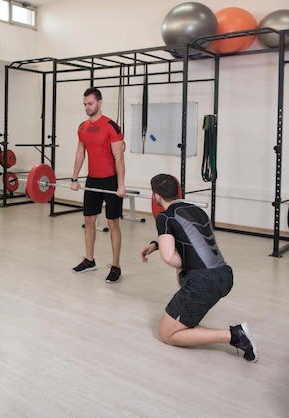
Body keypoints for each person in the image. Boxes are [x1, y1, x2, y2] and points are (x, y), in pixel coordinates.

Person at [140, 174, 258, 362]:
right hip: (224, 275)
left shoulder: (164, 217)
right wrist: (157, 244)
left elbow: (170, 257)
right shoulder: (197, 210)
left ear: (156, 196)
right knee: (185, 277)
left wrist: (166, 251)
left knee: (166, 334)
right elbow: (193, 243)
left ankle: (234, 335)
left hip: (203, 282)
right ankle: (188, 313)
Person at [70, 87, 126, 283]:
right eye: (85, 104)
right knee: (89, 221)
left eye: (90, 104)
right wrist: (74, 178)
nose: (87, 107)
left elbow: (119, 157)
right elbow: (80, 154)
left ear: (100, 102)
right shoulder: (83, 127)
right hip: (92, 179)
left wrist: (120, 184)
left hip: (111, 180)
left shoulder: (112, 126)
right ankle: (89, 260)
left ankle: (116, 266)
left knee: (113, 223)